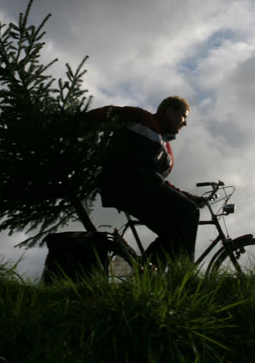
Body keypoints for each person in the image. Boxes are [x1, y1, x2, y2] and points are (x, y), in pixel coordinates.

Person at [87, 96, 204, 268]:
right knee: (190, 211)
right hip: (127, 182)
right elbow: (109, 113)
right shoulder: (143, 119)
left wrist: (188, 196)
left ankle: (147, 272)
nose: (185, 123)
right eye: (183, 116)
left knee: (174, 230)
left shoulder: (166, 151)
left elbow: (161, 182)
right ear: (169, 111)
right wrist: (75, 123)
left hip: (143, 188)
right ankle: (186, 272)